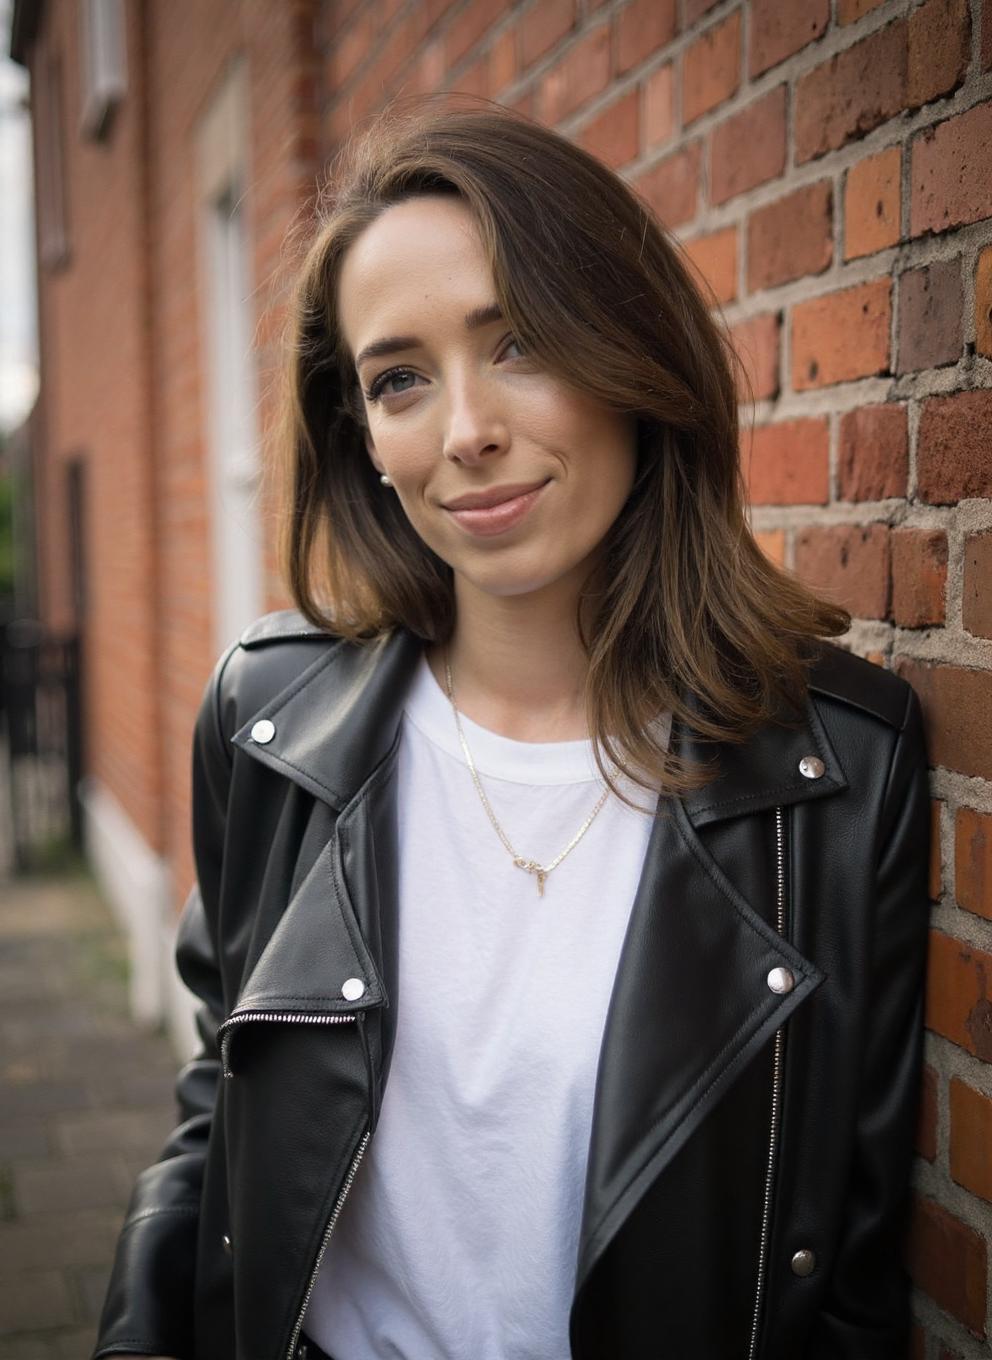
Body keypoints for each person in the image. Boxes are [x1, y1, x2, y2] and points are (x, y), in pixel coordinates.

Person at [93, 96, 930, 1360]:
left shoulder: (837, 768)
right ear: (362, 437)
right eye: (400, 380)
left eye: (520, 341)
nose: (467, 429)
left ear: (629, 353)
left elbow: (847, 1277)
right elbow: (226, 1109)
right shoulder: (268, 719)